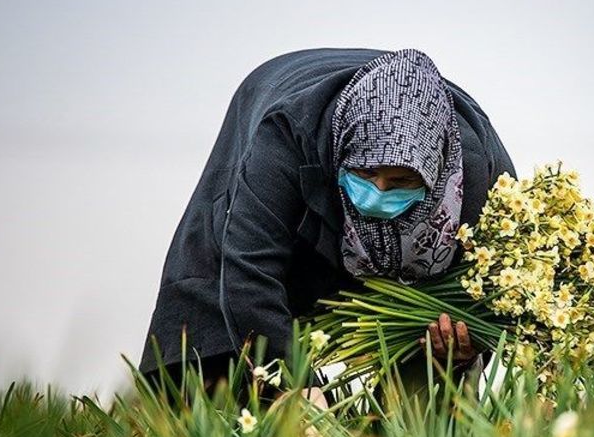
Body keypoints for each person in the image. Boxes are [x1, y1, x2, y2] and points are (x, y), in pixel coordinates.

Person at [139, 47, 516, 408]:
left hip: (413, 264)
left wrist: (462, 346)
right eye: (366, 174)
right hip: (284, 142)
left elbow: (487, 293)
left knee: (430, 385)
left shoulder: (481, 177)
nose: (378, 192)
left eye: (400, 181)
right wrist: (292, 385)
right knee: (228, 388)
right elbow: (248, 272)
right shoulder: (285, 135)